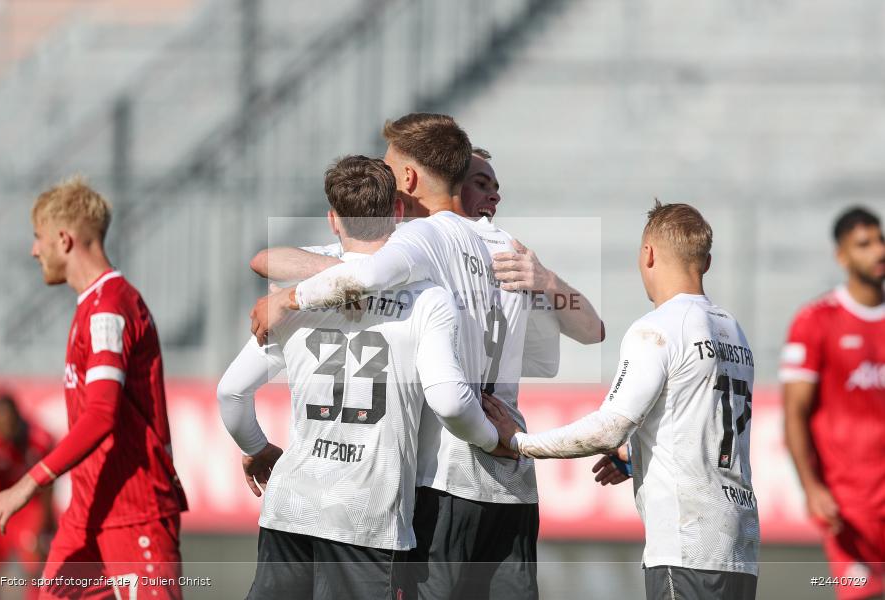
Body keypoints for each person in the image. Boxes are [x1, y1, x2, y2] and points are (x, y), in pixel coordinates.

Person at [249, 119, 602, 598]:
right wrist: (547, 282)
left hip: (447, 473)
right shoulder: (515, 255)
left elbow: (357, 273)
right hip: (512, 484)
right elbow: (589, 332)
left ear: (409, 180)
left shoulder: (423, 242)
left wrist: (289, 299)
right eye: (482, 181)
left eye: (390, 168)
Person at [218, 155, 508, 599]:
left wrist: (256, 449)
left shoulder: (293, 300)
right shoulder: (427, 298)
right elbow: (450, 402)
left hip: (290, 508)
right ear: (397, 213)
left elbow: (232, 393)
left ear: (333, 221)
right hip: (367, 518)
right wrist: (494, 439)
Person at [485, 201, 759, 600]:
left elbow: (610, 426)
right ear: (707, 262)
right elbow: (703, 426)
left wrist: (519, 441)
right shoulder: (734, 331)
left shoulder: (657, 328)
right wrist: (641, 457)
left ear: (647, 254)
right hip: (740, 539)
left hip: (687, 544)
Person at [0, 178, 188, 599]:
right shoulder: (92, 306)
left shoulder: (110, 307)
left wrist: (26, 485)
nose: (34, 250)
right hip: (88, 510)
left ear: (64, 238)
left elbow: (100, 415)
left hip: (136, 512)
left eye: (38, 238)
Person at [781, 207, 885, 600]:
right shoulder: (817, 321)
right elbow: (795, 412)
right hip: (849, 505)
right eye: (864, 244)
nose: (878, 251)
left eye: (880, 240)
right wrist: (811, 487)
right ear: (842, 255)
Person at [0, 392, 54, 600]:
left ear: (17, 418)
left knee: (35, 566)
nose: (4, 429)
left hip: (31, 508)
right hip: (2, 507)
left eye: (8, 422)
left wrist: (46, 525)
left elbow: (49, 486)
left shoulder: (39, 439)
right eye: (0, 423)